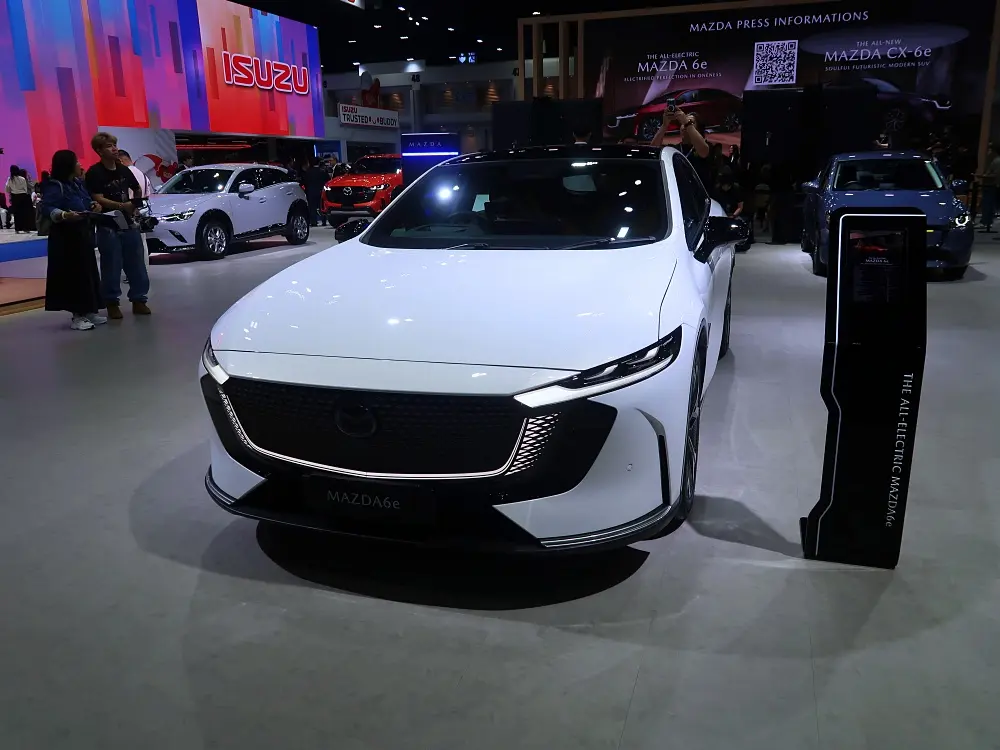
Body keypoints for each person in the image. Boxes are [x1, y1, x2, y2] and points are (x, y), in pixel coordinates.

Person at [86, 131, 151, 317]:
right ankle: (112, 302)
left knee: (136, 263)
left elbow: (136, 188)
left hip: (129, 222)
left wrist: (135, 204)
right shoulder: (94, 172)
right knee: (111, 265)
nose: (114, 149)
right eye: (109, 146)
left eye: (114, 145)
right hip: (108, 223)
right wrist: (123, 206)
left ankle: (139, 299)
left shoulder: (124, 170)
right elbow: (97, 197)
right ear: (99, 151)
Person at [40, 149, 106, 331]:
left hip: (82, 234)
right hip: (65, 238)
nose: (80, 165)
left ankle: (89, 310)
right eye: (77, 161)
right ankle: (77, 315)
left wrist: (94, 206)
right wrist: (64, 215)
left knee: (88, 273)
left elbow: (84, 202)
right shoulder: (55, 185)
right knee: (73, 275)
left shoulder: (77, 183)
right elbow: (47, 208)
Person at [651, 108, 711, 188]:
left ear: (698, 130)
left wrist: (687, 123)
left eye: (691, 122)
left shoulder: (705, 146)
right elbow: (653, 150)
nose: (684, 125)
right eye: (683, 123)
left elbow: (704, 152)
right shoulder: (674, 149)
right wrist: (664, 125)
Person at [978, 142, 1000, 233]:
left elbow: (996, 175)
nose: (988, 151)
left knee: (988, 204)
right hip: (992, 185)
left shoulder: (997, 161)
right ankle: (986, 221)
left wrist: (984, 176)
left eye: (990, 149)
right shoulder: (995, 160)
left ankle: (986, 221)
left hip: (992, 185)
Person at [5, 165, 33, 233]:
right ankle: (26, 228)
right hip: (23, 196)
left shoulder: (10, 179)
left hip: (14, 197)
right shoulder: (22, 179)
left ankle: (17, 229)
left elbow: (7, 189)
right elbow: (25, 189)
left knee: (16, 213)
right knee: (24, 213)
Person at [303, 157, 329, 227]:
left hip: (311, 191)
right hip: (321, 191)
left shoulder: (308, 172)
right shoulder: (323, 171)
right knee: (321, 206)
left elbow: (305, 182)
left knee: (312, 207)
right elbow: (328, 181)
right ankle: (324, 221)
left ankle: (313, 222)